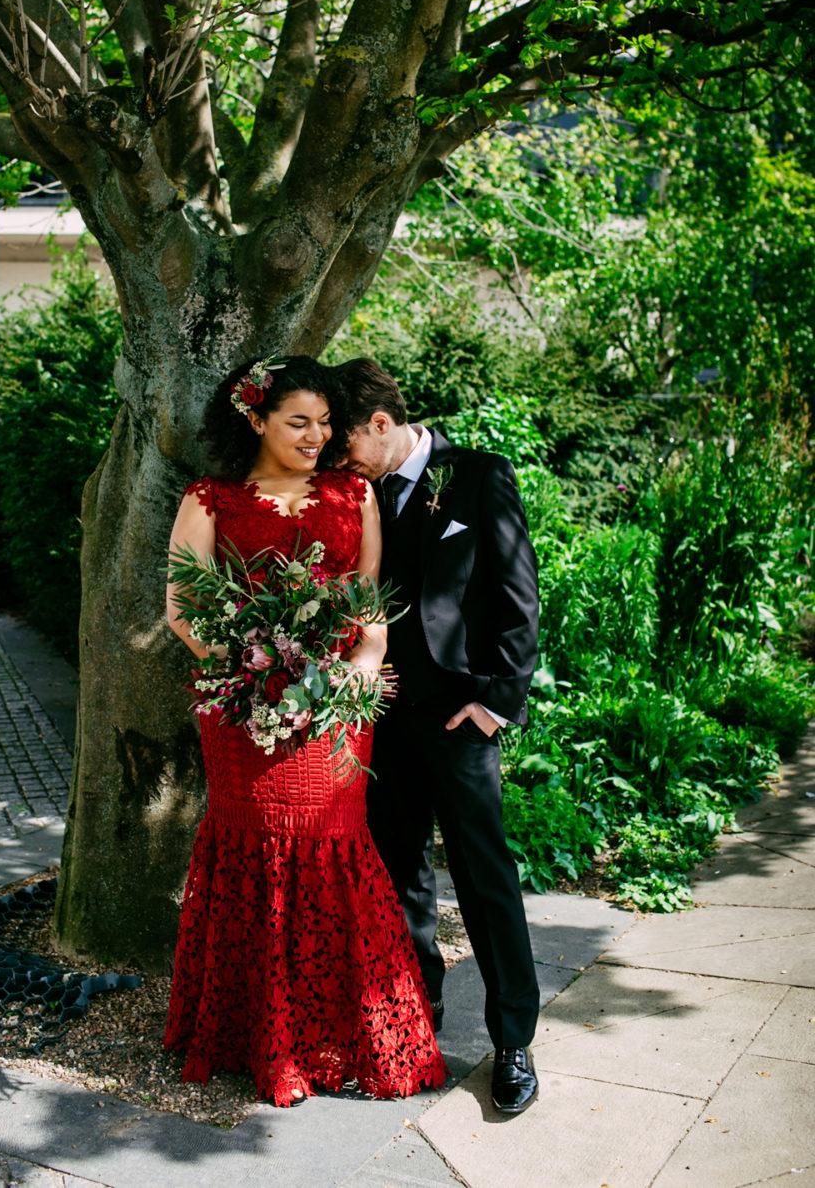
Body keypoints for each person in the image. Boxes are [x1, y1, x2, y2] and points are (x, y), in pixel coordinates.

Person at [163, 354, 446, 1106]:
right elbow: (184, 610)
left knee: (336, 846)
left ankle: (338, 1032)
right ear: (256, 419)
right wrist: (254, 669)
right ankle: (251, 1034)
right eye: (298, 422)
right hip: (243, 710)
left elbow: (368, 594)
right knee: (251, 846)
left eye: (324, 423)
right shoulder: (211, 498)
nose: (316, 436)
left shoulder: (354, 492)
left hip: (336, 709)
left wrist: (366, 660)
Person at [337, 357, 541, 1115]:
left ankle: (512, 1040)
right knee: (398, 877)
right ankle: (413, 1019)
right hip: (386, 720)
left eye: (347, 442)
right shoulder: (358, 493)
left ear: (381, 424)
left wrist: (497, 704)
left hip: (460, 718)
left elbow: (520, 597)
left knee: (486, 880)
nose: (339, 458)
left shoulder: (480, 475)